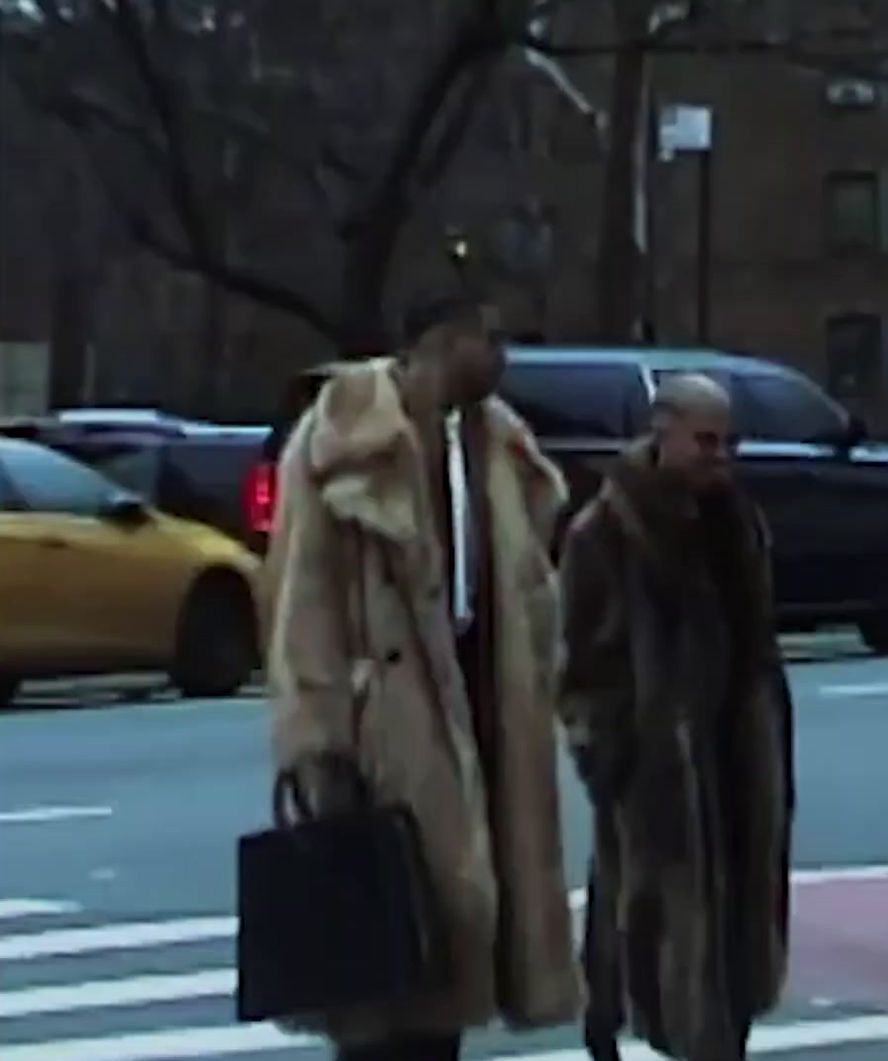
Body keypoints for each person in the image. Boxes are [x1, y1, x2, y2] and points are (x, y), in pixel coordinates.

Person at [263, 294, 579, 1060]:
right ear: (444, 339)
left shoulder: (495, 441)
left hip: (481, 708)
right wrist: (320, 743)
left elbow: (528, 585)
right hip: (389, 730)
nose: (504, 354)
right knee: (384, 964)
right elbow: (302, 598)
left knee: (452, 956)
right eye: (490, 336)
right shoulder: (344, 436)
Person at [559, 373, 796, 1061]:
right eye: (706, 440)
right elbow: (577, 663)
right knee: (642, 914)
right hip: (653, 761)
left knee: (731, 932)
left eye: (730, 442)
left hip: (734, 748)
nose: (720, 457)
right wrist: (612, 752)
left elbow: (758, 640)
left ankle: (714, 1037)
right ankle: (609, 1020)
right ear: (662, 433)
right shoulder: (606, 531)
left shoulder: (738, 523)